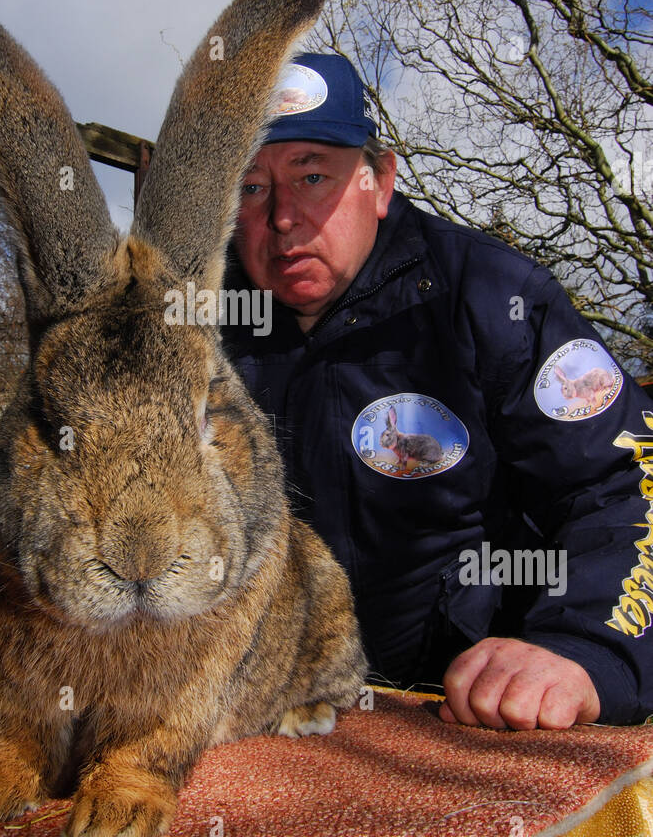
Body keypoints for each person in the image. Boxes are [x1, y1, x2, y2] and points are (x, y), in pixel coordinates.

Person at [221, 52, 653, 729]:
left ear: (380, 181)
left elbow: (624, 481)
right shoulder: (190, 323)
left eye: (312, 176)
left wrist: (582, 648)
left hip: (462, 717)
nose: (282, 219)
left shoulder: (494, 297)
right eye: (252, 188)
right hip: (257, 715)